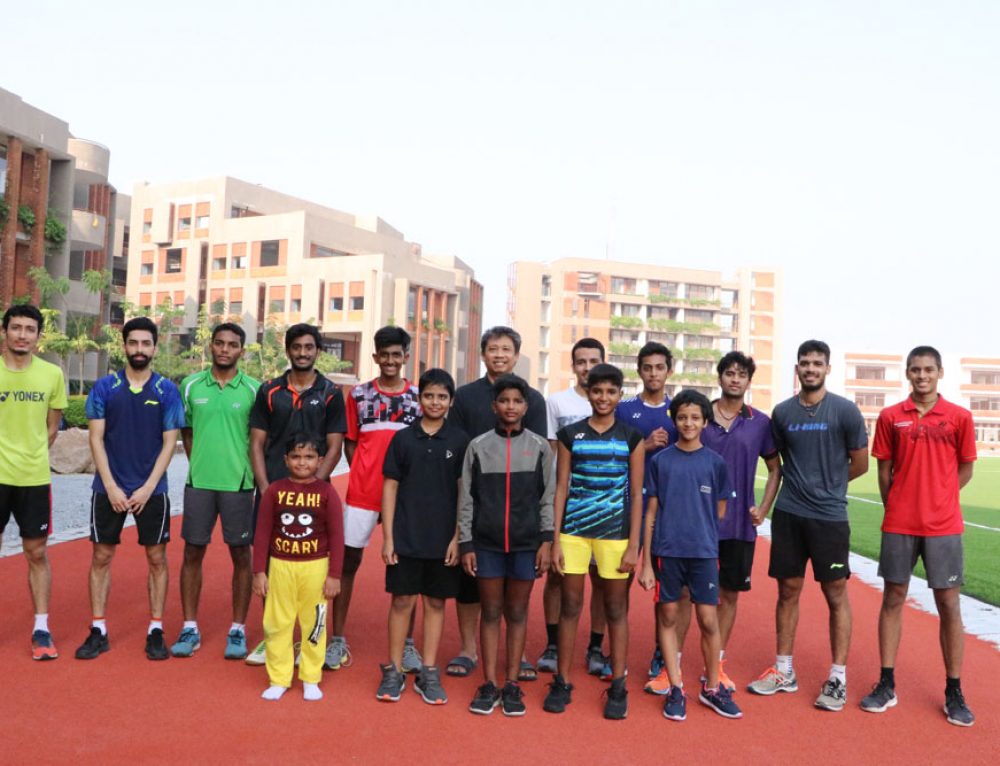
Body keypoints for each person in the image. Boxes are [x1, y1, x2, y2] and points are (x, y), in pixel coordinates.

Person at [748, 339, 868, 711]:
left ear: (828, 368)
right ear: (797, 368)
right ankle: (784, 670)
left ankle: (838, 678)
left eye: (817, 363)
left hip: (829, 518)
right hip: (789, 514)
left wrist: (829, 486)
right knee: (787, 591)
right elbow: (777, 462)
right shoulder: (782, 413)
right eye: (805, 363)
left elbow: (860, 463)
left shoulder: (845, 411)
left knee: (835, 594)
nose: (811, 369)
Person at [861, 346, 977, 727]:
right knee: (893, 598)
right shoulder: (890, 416)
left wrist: (940, 498)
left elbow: (966, 468)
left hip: (944, 526)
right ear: (907, 374)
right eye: (915, 370)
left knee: (949, 604)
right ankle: (886, 683)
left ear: (940, 373)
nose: (922, 376)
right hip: (899, 524)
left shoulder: (959, 417)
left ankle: (954, 690)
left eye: (928, 369)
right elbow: (884, 472)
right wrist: (896, 506)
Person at [654, 351, 781, 693]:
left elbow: (775, 469)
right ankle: (671, 666)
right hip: (693, 525)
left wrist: (763, 508)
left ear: (749, 381)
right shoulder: (699, 415)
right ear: (720, 377)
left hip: (737, 524)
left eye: (741, 374)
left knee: (728, 595)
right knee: (682, 596)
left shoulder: (760, 422)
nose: (735, 379)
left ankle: (716, 665)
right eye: (729, 373)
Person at [75, 316, 185, 661]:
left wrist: (148, 487)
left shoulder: (167, 390)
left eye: (146, 343)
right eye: (133, 343)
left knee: (157, 558)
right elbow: (96, 439)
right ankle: (98, 629)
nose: (139, 349)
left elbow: (170, 443)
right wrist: (110, 485)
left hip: (152, 490)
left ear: (155, 348)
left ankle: (156, 629)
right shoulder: (104, 388)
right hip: (108, 488)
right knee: (101, 556)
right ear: (124, 346)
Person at [446, 326, 547, 681]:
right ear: (483, 354)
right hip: (476, 499)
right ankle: (468, 648)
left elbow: (539, 459)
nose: (499, 354)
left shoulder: (533, 398)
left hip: (519, 512)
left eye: (506, 349)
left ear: (516, 355)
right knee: (469, 582)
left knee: (515, 598)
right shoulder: (465, 396)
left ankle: (518, 657)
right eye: (493, 348)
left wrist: (544, 532)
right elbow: (459, 448)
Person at [544, 363, 644, 720]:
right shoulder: (570, 434)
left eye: (611, 392)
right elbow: (561, 488)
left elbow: (637, 493)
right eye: (597, 391)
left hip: (615, 534)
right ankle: (562, 680)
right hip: (573, 532)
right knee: (570, 605)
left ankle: (618, 685)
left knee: (616, 608)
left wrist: (633, 545)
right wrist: (555, 540)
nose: (603, 397)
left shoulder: (632, 437)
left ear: (620, 395)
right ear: (588, 393)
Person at [638, 389, 743, 721]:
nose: (688, 423)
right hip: (667, 553)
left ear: (705, 422)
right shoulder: (662, 461)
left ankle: (712, 687)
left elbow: (720, 510)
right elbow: (650, 514)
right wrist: (646, 563)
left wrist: (698, 531)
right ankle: (675, 687)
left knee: (708, 619)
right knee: (668, 616)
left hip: (703, 553)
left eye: (695, 417)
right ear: (674, 420)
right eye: (682, 417)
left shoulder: (715, 463)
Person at [247, 323, 347, 666]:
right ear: (288, 350)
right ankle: (273, 639)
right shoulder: (269, 391)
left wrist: (313, 485)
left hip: (314, 496)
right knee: (270, 561)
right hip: (273, 490)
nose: (303, 353)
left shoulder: (331, 393)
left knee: (312, 565)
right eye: (297, 347)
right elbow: (256, 443)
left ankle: (309, 643)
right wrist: (266, 489)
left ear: (317, 351)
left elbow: (334, 446)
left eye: (309, 347)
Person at [458, 374, 554, 716]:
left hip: (527, 544)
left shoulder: (541, 447)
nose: (510, 406)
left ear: (526, 407)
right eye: (504, 400)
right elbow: (466, 498)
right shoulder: (478, 446)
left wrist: (547, 540)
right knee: (490, 611)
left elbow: (547, 497)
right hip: (486, 543)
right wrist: (466, 542)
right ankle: (489, 683)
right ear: (493, 406)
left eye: (517, 401)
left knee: (517, 612)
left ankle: (511, 683)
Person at [377, 368, 469, 705]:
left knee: (435, 602)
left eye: (442, 397)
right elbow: (390, 487)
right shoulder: (403, 439)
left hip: (443, 539)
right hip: (406, 535)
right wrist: (388, 538)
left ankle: (428, 671)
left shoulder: (460, 441)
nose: (435, 402)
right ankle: (394, 669)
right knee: (402, 601)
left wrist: (458, 536)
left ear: (451, 401)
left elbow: (464, 492)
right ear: (419, 399)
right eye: (429, 395)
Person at [336, 326, 422, 675]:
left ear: (405, 357)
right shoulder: (358, 395)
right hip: (363, 491)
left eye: (396, 354)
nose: (389, 360)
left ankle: (409, 643)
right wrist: (364, 470)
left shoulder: (418, 397)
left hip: (407, 495)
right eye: (383, 354)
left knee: (407, 567)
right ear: (375, 357)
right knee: (347, 562)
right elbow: (351, 442)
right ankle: (337, 638)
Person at [171, 323, 260, 659]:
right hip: (199, 484)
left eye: (232, 345)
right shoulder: (191, 385)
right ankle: (189, 627)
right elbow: (187, 432)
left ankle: (237, 630)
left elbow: (258, 439)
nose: (225, 349)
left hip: (239, 485)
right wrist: (200, 465)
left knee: (241, 555)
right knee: (192, 553)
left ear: (242, 351)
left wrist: (248, 473)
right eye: (219, 343)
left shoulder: (254, 389)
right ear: (210, 346)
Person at [252, 434, 343, 701]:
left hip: (315, 567)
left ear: (320, 461)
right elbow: (262, 534)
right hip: (280, 566)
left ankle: (311, 677)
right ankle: (279, 678)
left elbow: (337, 536)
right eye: (296, 457)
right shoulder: (274, 491)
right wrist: (259, 571)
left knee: (315, 624)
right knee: (276, 624)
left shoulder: (327, 492)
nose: (302, 463)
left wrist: (334, 575)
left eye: (309, 457)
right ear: (286, 460)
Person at [0, 304, 68, 660]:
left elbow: (52, 428)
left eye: (29, 329)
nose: (22, 335)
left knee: (36, 553)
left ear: (38, 336)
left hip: (34, 479)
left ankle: (41, 628)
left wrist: (30, 455)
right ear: (4, 332)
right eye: (16, 327)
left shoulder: (51, 374)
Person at [539, 338, 609, 677]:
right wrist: (549, 502)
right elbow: (551, 455)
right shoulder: (557, 402)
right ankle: (553, 644)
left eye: (593, 361)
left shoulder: (612, 401)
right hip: (565, 503)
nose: (587, 367)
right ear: (573, 366)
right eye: (581, 361)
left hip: (604, 505)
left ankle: (595, 646)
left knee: (600, 578)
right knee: (558, 574)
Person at [614, 341, 678, 680]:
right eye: (648, 368)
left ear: (669, 370)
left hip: (666, 510)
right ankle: (615, 652)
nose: (654, 373)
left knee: (664, 587)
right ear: (639, 371)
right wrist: (644, 446)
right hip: (629, 507)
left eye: (659, 367)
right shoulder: (624, 409)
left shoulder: (679, 410)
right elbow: (610, 454)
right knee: (619, 581)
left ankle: (660, 652)